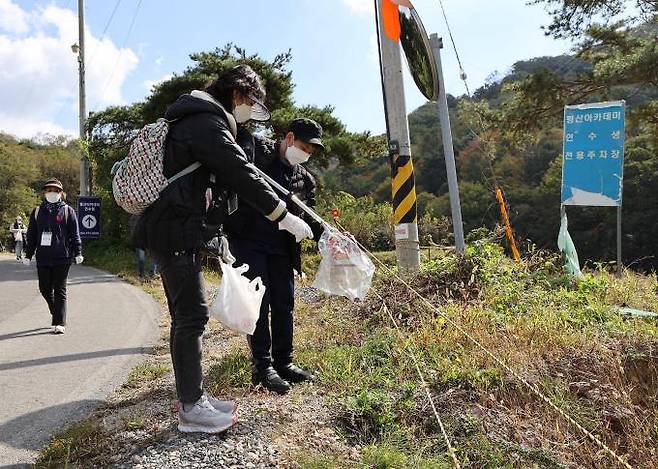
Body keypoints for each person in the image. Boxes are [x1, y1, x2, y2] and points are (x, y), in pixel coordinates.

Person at [133, 64, 313, 434]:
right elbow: (239, 172)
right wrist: (283, 215)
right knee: (191, 317)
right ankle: (191, 409)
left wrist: (218, 240)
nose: (252, 112)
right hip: (174, 231)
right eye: (252, 102)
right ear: (238, 94)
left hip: (180, 230)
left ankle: (194, 398)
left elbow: (210, 191)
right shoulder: (206, 122)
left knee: (189, 316)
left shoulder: (201, 120)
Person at [226, 118, 325, 394]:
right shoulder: (256, 151)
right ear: (289, 138)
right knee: (259, 303)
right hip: (249, 241)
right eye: (304, 147)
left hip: (282, 248)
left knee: (284, 304)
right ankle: (263, 365)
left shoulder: (304, 179)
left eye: (311, 152)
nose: (306, 154)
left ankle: (285, 362)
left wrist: (329, 237)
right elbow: (238, 172)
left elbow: (310, 218)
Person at [24, 178, 83, 335]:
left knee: (60, 289)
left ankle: (59, 322)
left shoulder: (67, 211)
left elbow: (74, 234)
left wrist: (78, 252)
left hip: (62, 257)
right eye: (49, 190)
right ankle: (55, 312)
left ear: (61, 193)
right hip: (43, 257)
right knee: (44, 288)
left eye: (55, 191)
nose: (52, 193)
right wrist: (28, 254)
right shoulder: (37, 212)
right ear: (44, 192)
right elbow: (31, 235)